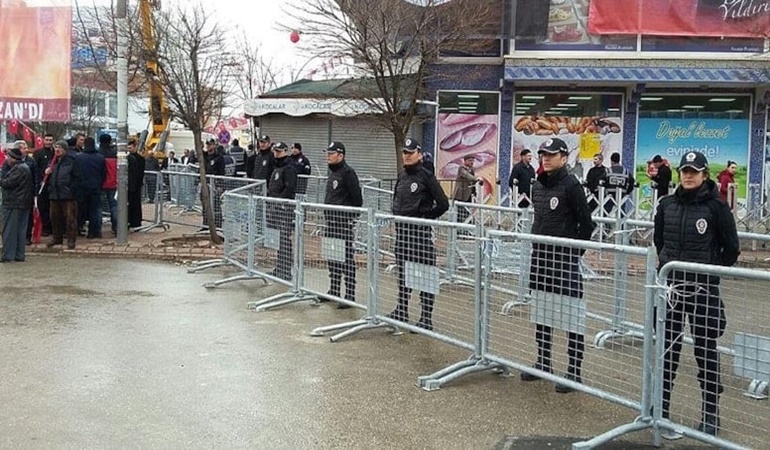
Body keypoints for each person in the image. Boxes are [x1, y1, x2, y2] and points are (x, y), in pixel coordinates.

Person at [653, 151, 739, 438]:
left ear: (705, 175)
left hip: (703, 292)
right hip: (672, 290)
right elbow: (659, 240)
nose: (688, 176)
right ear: (678, 173)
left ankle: (711, 414)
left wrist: (709, 272)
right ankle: (661, 410)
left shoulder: (717, 208)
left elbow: (731, 248)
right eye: (684, 171)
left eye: (694, 171)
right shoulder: (667, 205)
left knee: (706, 353)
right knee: (667, 351)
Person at [521, 137, 595, 394]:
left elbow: (587, 224)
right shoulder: (538, 185)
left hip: (563, 261)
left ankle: (574, 370)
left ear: (564, 157)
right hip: (540, 259)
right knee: (542, 312)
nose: (546, 158)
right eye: (543, 154)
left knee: (570, 316)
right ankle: (544, 361)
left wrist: (574, 252)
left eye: (551, 155)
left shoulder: (571, 186)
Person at [387, 138, 449, 331]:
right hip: (402, 234)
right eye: (404, 152)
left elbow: (443, 203)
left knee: (425, 277)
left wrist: (425, 216)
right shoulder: (402, 176)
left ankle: (426, 317)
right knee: (404, 275)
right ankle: (402, 310)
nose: (406, 156)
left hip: (420, 236)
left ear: (419, 155)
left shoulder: (426, 177)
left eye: (410, 152)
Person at [322, 141, 363, 309]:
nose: (328, 156)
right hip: (330, 223)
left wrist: (349, 219)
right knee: (332, 257)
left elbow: (357, 200)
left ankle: (350, 294)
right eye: (328, 153)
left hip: (342, 224)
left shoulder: (348, 173)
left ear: (341, 155)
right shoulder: (333, 173)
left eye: (331, 154)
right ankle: (334, 289)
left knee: (346, 259)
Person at [266, 141, 297, 280]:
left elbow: (289, 188)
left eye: (279, 151)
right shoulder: (276, 167)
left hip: (284, 208)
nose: (276, 154)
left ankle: (285, 270)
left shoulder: (289, 168)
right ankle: (280, 268)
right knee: (279, 239)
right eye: (275, 151)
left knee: (284, 239)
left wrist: (279, 201)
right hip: (274, 207)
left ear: (285, 151)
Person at [0, 147, 34, 262]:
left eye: (8, 156)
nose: (6, 159)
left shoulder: (19, 169)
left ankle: (8, 255)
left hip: (13, 203)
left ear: (13, 158)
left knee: (10, 231)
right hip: (21, 203)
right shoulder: (23, 167)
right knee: (20, 231)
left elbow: (7, 183)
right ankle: (18, 254)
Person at [47, 140, 81, 249]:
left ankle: (71, 240)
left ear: (65, 149)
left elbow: (77, 178)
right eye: (56, 147)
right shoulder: (53, 162)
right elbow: (50, 178)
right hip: (54, 194)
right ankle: (57, 238)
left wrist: (72, 191)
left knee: (70, 219)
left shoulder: (72, 161)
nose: (57, 150)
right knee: (54, 218)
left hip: (67, 195)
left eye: (60, 147)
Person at [76, 137, 106, 239]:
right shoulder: (100, 158)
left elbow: (76, 173)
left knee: (81, 209)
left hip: (82, 187)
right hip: (95, 187)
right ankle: (94, 231)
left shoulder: (79, 157)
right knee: (94, 210)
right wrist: (100, 184)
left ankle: (79, 227)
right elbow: (103, 173)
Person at [33, 133, 56, 236]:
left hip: (53, 184)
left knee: (54, 207)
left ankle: (53, 227)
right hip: (42, 183)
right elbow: (35, 168)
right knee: (43, 206)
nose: (48, 142)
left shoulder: (55, 153)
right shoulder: (38, 153)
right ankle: (46, 228)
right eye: (47, 140)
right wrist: (43, 173)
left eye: (50, 140)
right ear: (43, 140)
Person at [602, 152, 635, 217]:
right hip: (621, 196)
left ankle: (606, 226)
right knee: (621, 212)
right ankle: (621, 226)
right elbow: (632, 182)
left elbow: (602, 182)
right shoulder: (626, 171)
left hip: (609, 195)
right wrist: (627, 192)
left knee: (606, 213)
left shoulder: (608, 171)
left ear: (611, 161)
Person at [98, 134, 118, 236]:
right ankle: (116, 227)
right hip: (113, 183)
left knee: (98, 207)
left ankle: (97, 229)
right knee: (114, 206)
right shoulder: (115, 153)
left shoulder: (98, 153)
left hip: (100, 183)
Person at [452, 154, 479, 224]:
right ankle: (459, 228)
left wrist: (474, 192)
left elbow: (472, 181)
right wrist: (476, 178)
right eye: (470, 160)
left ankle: (467, 227)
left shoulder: (472, 169)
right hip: (461, 194)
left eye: (473, 161)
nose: (472, 162)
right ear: (465, 161)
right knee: (460, 212)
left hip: (469, 194)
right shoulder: (461, 168)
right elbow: (467, 176)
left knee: (468, 212)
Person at [126, 139, 145, 229]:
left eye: (131, 148)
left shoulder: (140, 159)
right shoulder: (128, 158)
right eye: (128, 148)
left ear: (135, 147)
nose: (129, 150)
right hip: (132, 184)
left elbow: (140, 173)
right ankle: (131, 220)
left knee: (135, 204)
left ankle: (135, 221)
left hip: (136, 185)